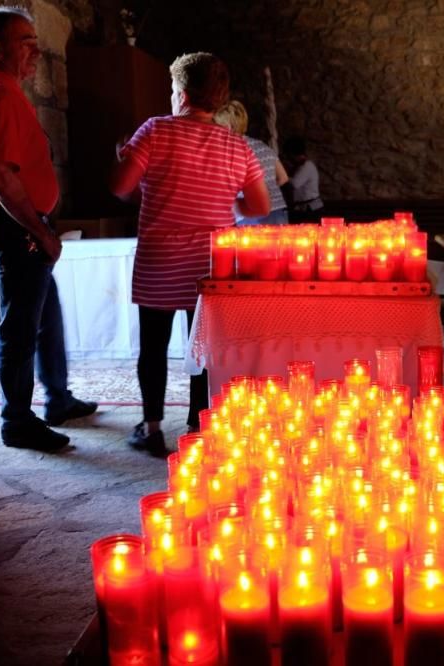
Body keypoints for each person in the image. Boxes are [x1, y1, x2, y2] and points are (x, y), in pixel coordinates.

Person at [110, 53, 269, 457]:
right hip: (209, 263)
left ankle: (152, 428)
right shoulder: (236, 146)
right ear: (218, 98)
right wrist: (226, 207)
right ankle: (199, 425)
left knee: (154, 347)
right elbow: (259, 207)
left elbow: (120, 187)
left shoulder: (155, 131)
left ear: (180, 94)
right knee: (203, 347)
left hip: (160, 260)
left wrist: (123, 157)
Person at [0, 7, 97, 452]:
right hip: (17, 224)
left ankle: (56, 398)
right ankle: (16, 420)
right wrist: (41, 232)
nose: (36, 49)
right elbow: (1, 177)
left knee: (44, 316)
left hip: (24, 223)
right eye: (26, 40)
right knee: (19, 328)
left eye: (36, 39)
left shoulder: (4, 90)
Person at [214, 101, 289, 225]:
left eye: (217, 125)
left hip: (251, 214)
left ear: (227, 126)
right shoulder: (262, 145)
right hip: (278, 210)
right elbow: (283, 178)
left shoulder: (232, 149)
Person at [284, 136, 323, 221]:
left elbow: (295, 184)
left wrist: (282, 174)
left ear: (292, 153)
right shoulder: (298, 167)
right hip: (302, 209)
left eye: (288, 154)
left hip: (311, 210)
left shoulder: (307, 166)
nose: (288, 157)